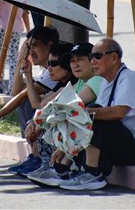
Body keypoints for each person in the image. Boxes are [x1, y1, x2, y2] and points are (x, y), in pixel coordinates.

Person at [57, 38, 135, 190]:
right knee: (89, 114)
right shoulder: (105, 82)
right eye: (91, 57)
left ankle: (92, 173)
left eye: (97, 56)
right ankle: (61, 169)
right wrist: (65, 148)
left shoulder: (128, 77)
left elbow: (118, 113)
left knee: (92, 112)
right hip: (117, 141)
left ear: (114, 58)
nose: (93, 61)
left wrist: (83, 112)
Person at [0, 26, 60, 174]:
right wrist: (21, 60)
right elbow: (16, 91)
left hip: (57, 125)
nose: (31, 51)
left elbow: (23, 95)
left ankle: (39, 157)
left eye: (35, 45)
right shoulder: (45, 70)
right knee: (25, 100)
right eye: (28, 47)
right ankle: (35, 155)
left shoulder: (52, 71)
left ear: (49, 45)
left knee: (28, 101)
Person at [26, 42, 103, 185]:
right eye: (72, 61)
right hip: (83, 139)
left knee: (67, 115)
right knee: (54, 116)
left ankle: (64, 168)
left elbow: (71, 106)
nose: (75, 65)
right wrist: (35, 122)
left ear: (92, 61)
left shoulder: (97, 80)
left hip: (98, 140)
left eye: (80, 60)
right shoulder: (80, 82)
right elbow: (48, 104)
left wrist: (37, 126)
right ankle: (58, 168)